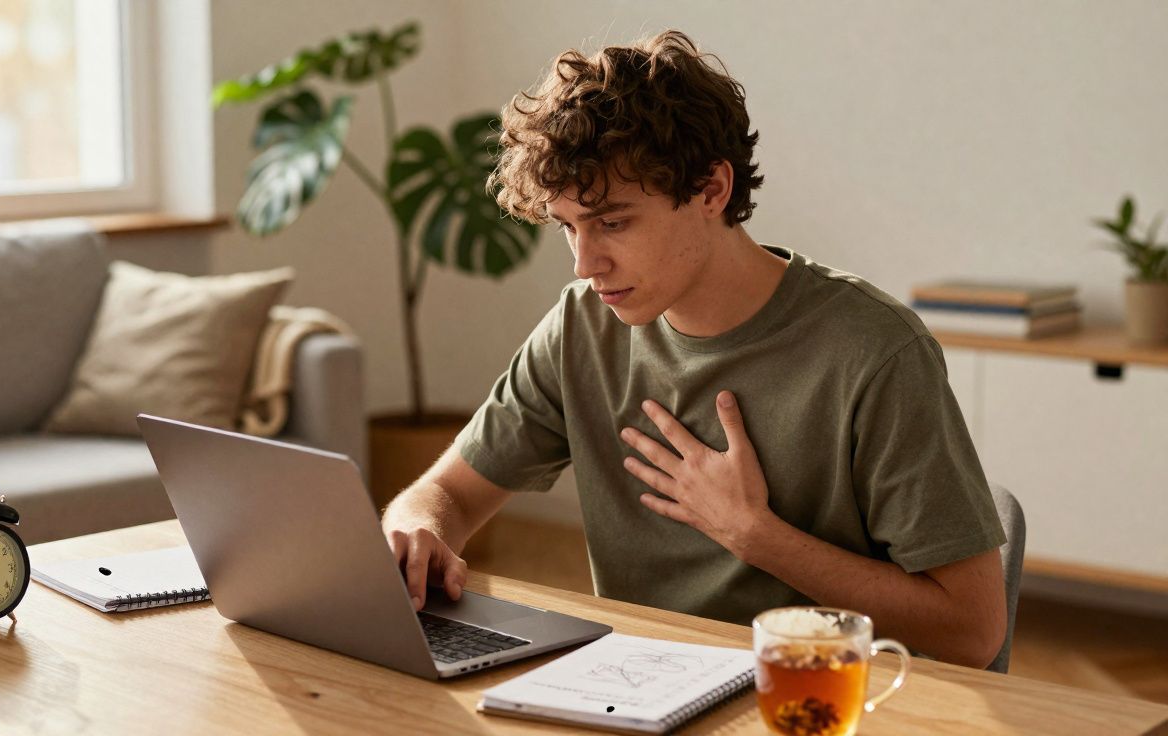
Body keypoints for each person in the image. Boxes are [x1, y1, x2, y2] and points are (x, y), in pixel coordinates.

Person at [381, 30, 1007, 668]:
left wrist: (756, 536)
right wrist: (418, 528)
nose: (584, 264)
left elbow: (972, 631)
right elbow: (448, 495)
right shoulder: (582, 327)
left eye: (613, 223)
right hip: (636, 686)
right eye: (568, 227)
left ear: (712, 190)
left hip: (816, 697)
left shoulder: (874, 352)